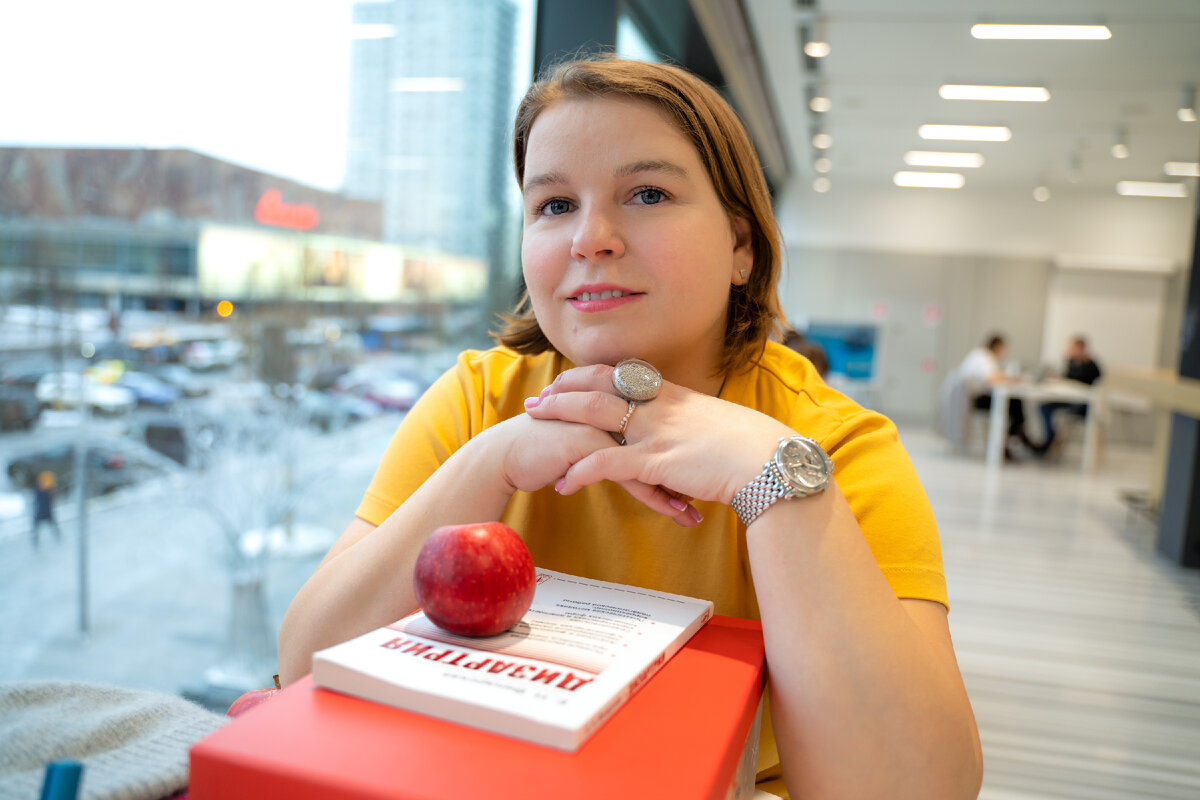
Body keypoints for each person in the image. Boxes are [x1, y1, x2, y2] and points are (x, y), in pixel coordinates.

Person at [278, 56, 982, 798]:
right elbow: (305, 665)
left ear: (741, 246)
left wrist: (768, 476)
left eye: (647, 193)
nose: (592, 238)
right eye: (553, 205)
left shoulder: (829, 444)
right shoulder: (480, 402)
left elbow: (918, 786)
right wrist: (493, 460)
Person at [956, 333, 1036, 460]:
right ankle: (1011, 438)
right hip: (974, 399)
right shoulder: (984, 358)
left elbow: (994, 376)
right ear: (998, 347)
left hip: (969, 397)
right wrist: (1014, 380)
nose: (1005, 352)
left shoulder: (980, 355)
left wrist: (1009, 378)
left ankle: (1014, 436)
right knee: (1015, 404)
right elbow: (992, 379)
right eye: (1004, 348)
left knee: (1015, 404)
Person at [1035, 335, 1102, 456]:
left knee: (1057, 410)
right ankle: (1050, 438)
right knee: (1044, 407)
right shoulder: (1071, 362)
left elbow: (1092, 384)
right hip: (1069, 400)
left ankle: (1050, 442)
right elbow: (1067, 378)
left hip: (1083, 404)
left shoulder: (1092, 366)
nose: (1070, 350)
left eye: (1073, 348)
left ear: (1081, 349)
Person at [30, 471, 61, 549]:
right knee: (52, 526)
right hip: (45, 511)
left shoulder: (39, 489)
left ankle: (35, 541)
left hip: (41, 511)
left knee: (38, 527)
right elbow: (53, 499)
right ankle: (58, 538)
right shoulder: (48, 490)